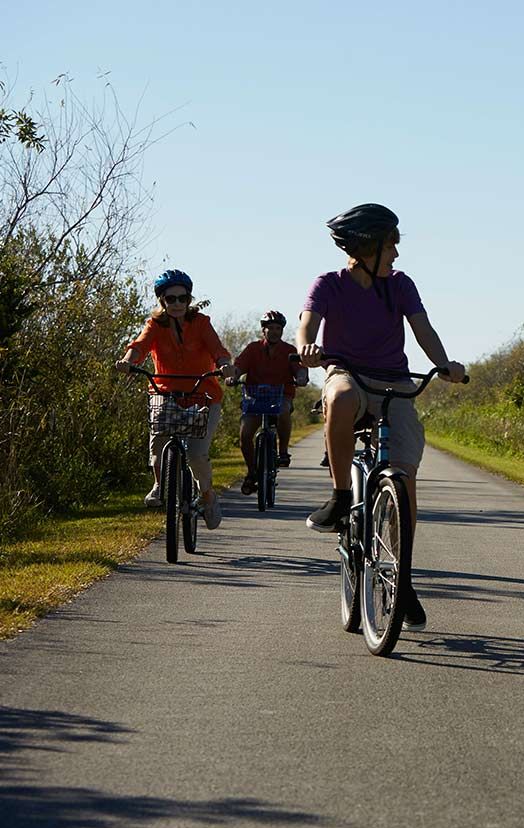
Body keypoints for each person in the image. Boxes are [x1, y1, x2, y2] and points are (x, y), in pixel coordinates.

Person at [296, 204, 465, 630]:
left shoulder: (401, 286)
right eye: (391, 244)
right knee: (341, 395)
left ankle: (401, 576)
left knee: (404, 479)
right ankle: (339, 496)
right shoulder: (328, 285)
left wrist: (445, 364)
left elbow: (423, 329)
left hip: (395, 383)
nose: (396, 253)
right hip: (346, 373)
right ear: (367, 246)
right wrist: (307, 347)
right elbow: (307, 325)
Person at [115, 270, 237, 529]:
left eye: (183, 298)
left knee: (196, 454)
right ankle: (160, 484)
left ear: (189, 298)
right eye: (171, 299)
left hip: (203, 395)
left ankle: (207, 496)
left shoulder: (201, 323)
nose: (178, 304)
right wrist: (128, 362)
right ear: (162, 301)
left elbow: (217, 349)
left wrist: (225, 364)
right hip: (165, 393)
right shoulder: (154, 325)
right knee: (158, 440)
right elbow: (139, 346)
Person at [233, 310, 308, 494]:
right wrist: (232, 377)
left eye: (278, 328)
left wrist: (301, 377)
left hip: (280, 396)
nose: (274, 332)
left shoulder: (290, 351)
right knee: (245, 434)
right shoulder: (252, 349)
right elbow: (238, 367)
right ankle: (252, 473)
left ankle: (282, 452)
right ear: (263, 330)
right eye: (270, 328)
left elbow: (300, 369)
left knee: (282, 410)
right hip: (255, 398)